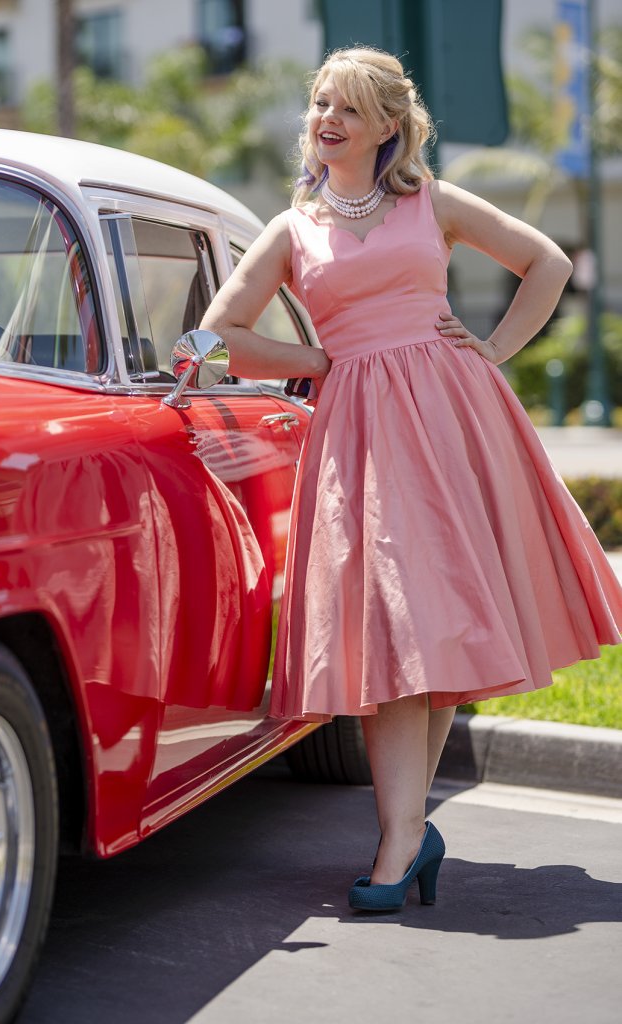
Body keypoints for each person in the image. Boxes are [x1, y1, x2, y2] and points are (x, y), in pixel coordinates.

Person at [200, 46, 622, 912]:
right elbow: (217, 334)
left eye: (349, 108)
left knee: (434, 625)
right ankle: (407, 835)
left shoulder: (433, 202)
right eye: (321, 103)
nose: (328, 120)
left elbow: (547, 262)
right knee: (395, 623)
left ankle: (402, 836)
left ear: (390, 125)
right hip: (359, 428)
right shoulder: (293, 228)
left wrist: (495, 349)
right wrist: (316, 356)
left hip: (455, 418)